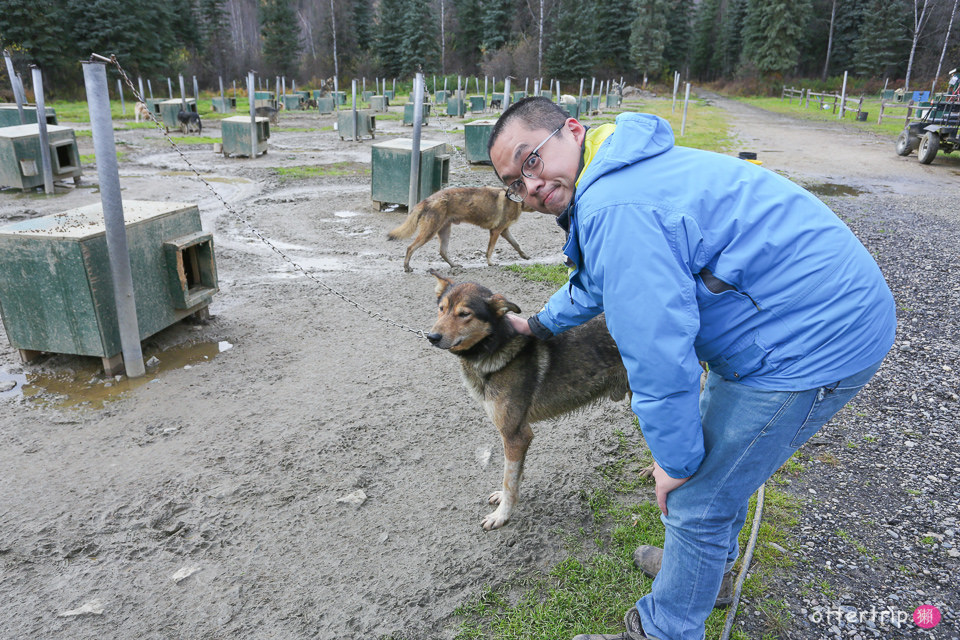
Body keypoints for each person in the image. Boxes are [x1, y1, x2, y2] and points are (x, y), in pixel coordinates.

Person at [486, 97, 896, 640]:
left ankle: (664, 627)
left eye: (530, 160)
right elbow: (600, 280)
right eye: (515, 182)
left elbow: (657, 354)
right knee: (713, 473)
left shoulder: (615, 206)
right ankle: (707, 572)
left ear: (572, 130)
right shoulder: (617, 173)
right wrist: (537, 324)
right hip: (781, 318)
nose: (530, 187)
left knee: (696, 495)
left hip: (813, 337)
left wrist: (675, 464)